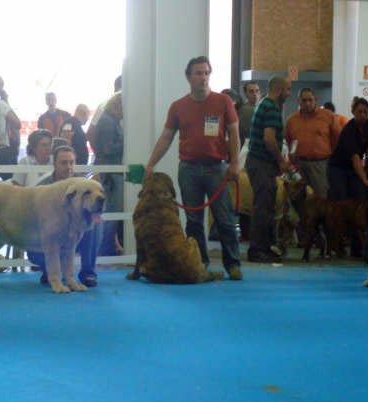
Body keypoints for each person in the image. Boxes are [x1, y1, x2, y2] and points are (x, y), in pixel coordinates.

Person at [144, 56, 242, 280]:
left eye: (207, 73)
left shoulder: (223, 102)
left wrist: (235, 163)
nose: (204, 77)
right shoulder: (178, 106)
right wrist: (151, 164)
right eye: (198, 73)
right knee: (194, 221)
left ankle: (233, 264)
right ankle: (199, 263)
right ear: (188, 77)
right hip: (188, 169)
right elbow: (166, 138)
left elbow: (234, 132)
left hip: (217, 167)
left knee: (225, 219)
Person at [26, 145, 101, 287]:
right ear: (54, 164)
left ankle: (88, 273)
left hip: (73, 239)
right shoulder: (42, 186)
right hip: (46, 239)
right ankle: (51, 272)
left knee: (95, 225)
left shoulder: (85, 185)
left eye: (72, 162)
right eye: (63, 163)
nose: (69, 167)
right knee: (46, 240)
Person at [245, 76, 294, 263]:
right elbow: (269, 138)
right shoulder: (272, 107)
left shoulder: (263, 103)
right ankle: (257, 250)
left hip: (258, 162)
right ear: (280, 90)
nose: (289, 94)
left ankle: (264, 247)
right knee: (263, 207)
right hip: (261, 163)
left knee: (265, 206)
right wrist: (282, 161)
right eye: (288, 90)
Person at [285, 88, 341, 199]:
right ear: (298, 101)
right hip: (299, 166)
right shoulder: (291, 120)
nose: (307, 103)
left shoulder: (328, 116)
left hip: (321, 165)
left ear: (315, 100)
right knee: (297, 198)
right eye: (304, 100)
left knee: (322, 199)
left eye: (310, 100)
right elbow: (289, 142)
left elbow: (338, 140)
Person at [94, 92, 124, 256]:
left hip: (111, 171)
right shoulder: (108, 122)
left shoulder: (109, 120)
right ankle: (105, 248)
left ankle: (107, 246)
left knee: (112, 210)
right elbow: (107, 149)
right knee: (113, 209)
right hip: (110, 172)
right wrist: (126, 142)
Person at [327, 97, 368, 200]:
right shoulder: (348, 130)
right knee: (340, 198)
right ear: (353, 112)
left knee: (359, 196)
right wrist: (365, 180)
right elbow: (355, 158)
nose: (363, 115)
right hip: (337, 167)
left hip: (354, 168)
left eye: (366, 112)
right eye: (359, 112)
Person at [87, 75, 122, 150]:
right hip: (113, 159)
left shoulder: (104, 104)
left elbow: (90, 133)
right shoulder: (107, 104)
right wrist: (101, 156)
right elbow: (90, 133)